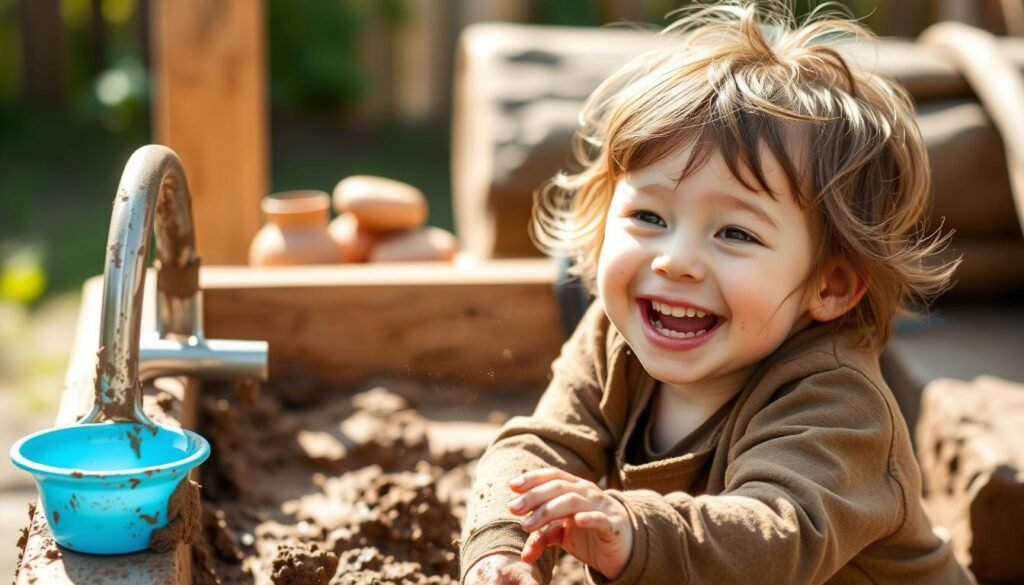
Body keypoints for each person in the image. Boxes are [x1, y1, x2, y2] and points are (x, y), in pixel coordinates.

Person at [459, 1, 975, 584]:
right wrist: (502, 549)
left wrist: (633, 529)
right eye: (649, 216)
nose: (675, 261)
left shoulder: (840, 407)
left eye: (735, 232)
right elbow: (541, 446)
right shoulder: (614, 332)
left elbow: (770, 541)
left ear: (828, 285)